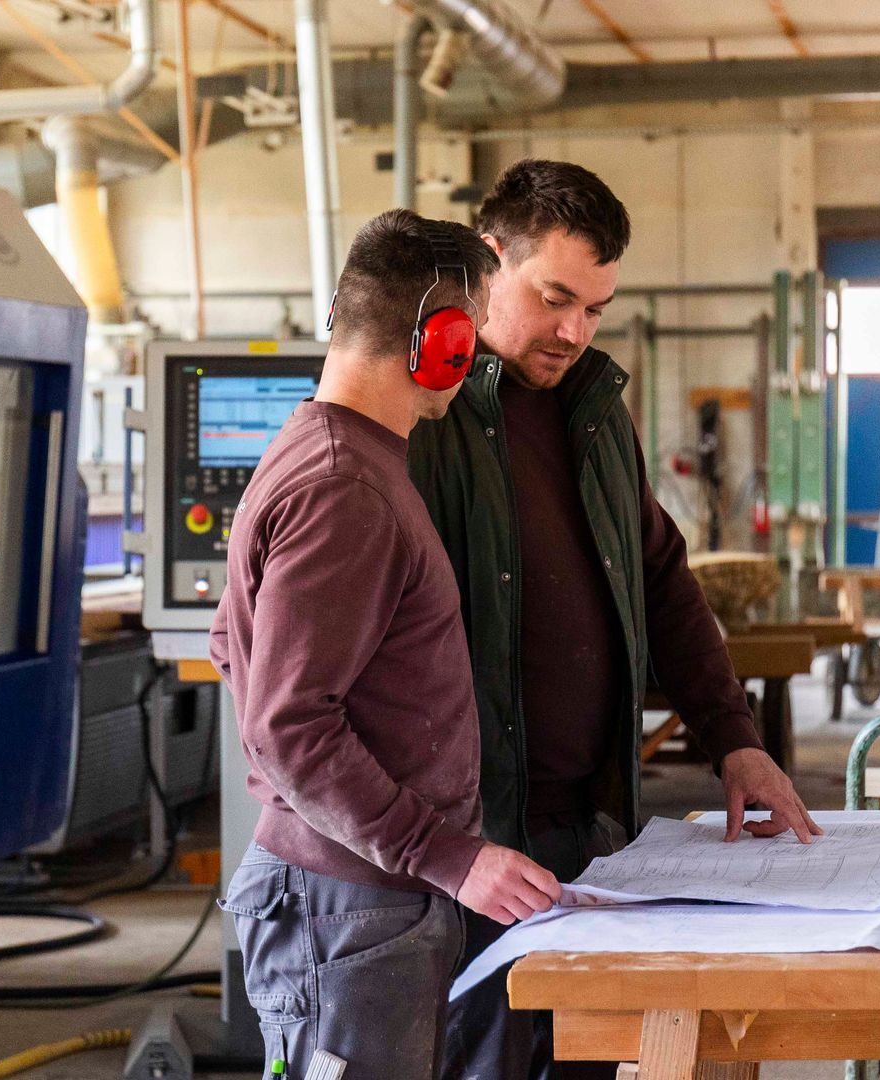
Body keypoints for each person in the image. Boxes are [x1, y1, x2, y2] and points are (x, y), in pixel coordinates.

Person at [409, 159, 819, 1080]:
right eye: (556, 297)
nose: (573, 330)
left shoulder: (595, 413)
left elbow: (664, 579)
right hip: (469, 849)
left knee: (588, 1061)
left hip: (590, 834)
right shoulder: (423, 416)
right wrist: (441, 847)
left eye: (595, 308)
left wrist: (734, 738)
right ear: (488, 259)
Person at [211, 209, 563, 1080]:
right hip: (350, 907)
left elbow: (232, 645)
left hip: (362, 894)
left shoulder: (331, 453)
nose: (478, 358)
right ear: (439, 342)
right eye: (472, 335)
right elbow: (289, 725)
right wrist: (445, 854)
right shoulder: (345, 489)